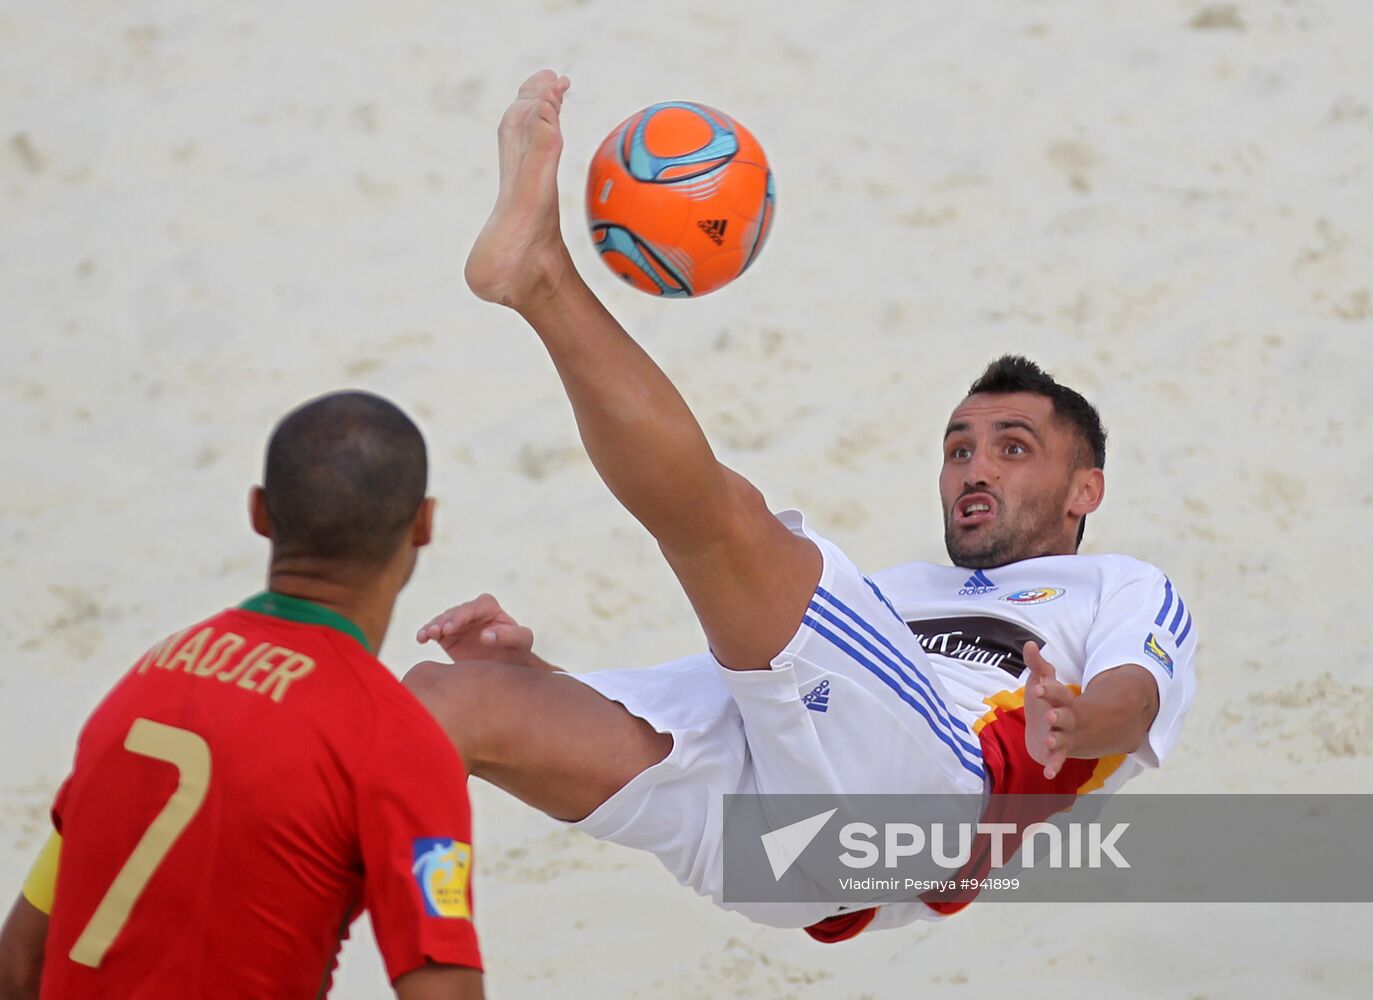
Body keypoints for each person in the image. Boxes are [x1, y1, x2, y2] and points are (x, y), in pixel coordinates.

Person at [402, 70, 1196, 940]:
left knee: (734, 522)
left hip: (928, 801)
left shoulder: (1119, 586)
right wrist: (537, 675)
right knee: (448, 700)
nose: (974, 469)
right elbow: (782, 714)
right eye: (958, 448)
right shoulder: (901, 592)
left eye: (1013, 448)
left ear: (1086, 490)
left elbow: (1136, 697)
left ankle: (544, 278)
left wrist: (1078, 721)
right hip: (772, 844)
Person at [0, 393, 483, 998]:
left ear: (259, 512)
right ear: (423, 523)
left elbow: (19, 961)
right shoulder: (393, 738)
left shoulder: (144, 683)